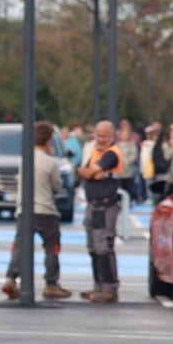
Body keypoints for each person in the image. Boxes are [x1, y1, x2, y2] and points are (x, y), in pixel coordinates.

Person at [1, 121, 71, 300]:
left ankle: (11, 278)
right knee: (51, 248)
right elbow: (56, 186)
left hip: (25, 210)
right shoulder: (51, 162)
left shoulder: (25, 159)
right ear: (49, 141)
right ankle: (51, 283)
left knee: (20, 245)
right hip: (46, 210)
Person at [75, 120, 123, 303]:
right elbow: (82, 172)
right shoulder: (96, 152)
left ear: (112, 136)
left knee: (103, 247)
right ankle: (99, 286)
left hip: (105, 205)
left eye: (104, 136)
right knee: (93, 248)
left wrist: (89, 173)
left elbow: (86, 173)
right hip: (93, 204)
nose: (101, 139)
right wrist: (91, 173)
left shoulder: (111, 154)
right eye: (98, 135)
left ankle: (109, 288)